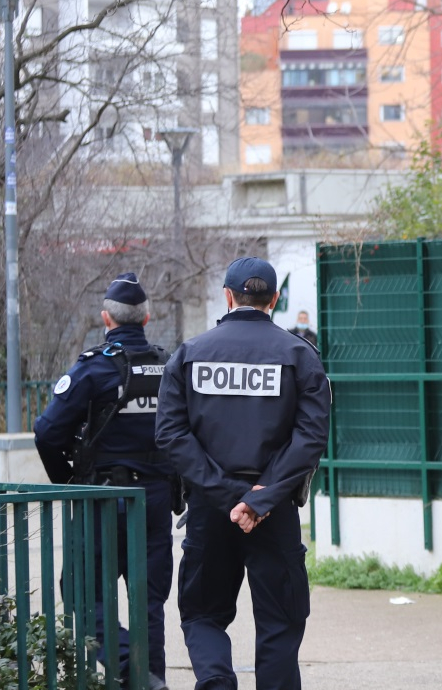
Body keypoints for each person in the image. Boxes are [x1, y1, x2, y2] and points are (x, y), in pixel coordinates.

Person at [156, 256, 331, 690]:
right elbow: (311, 437)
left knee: (201, 613)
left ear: (228, 297)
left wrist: (227, 493)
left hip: (210, 510)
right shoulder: (300, 355)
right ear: (273, 300)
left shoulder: (189, 355)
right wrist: (257, 498)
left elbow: (171, 435)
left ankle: (216, 681)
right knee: (281, 620)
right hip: (273, 511)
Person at [32, 272, 174, 690]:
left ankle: (132, 669)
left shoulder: (93, 369)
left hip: (101, 499)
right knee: (149, 603)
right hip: (154, 499)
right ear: (146, 319)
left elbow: (47, 432)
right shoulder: (169, 367)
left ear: (106, 320)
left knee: (79, 592)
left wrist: (69, 481)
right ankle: (153, 679)